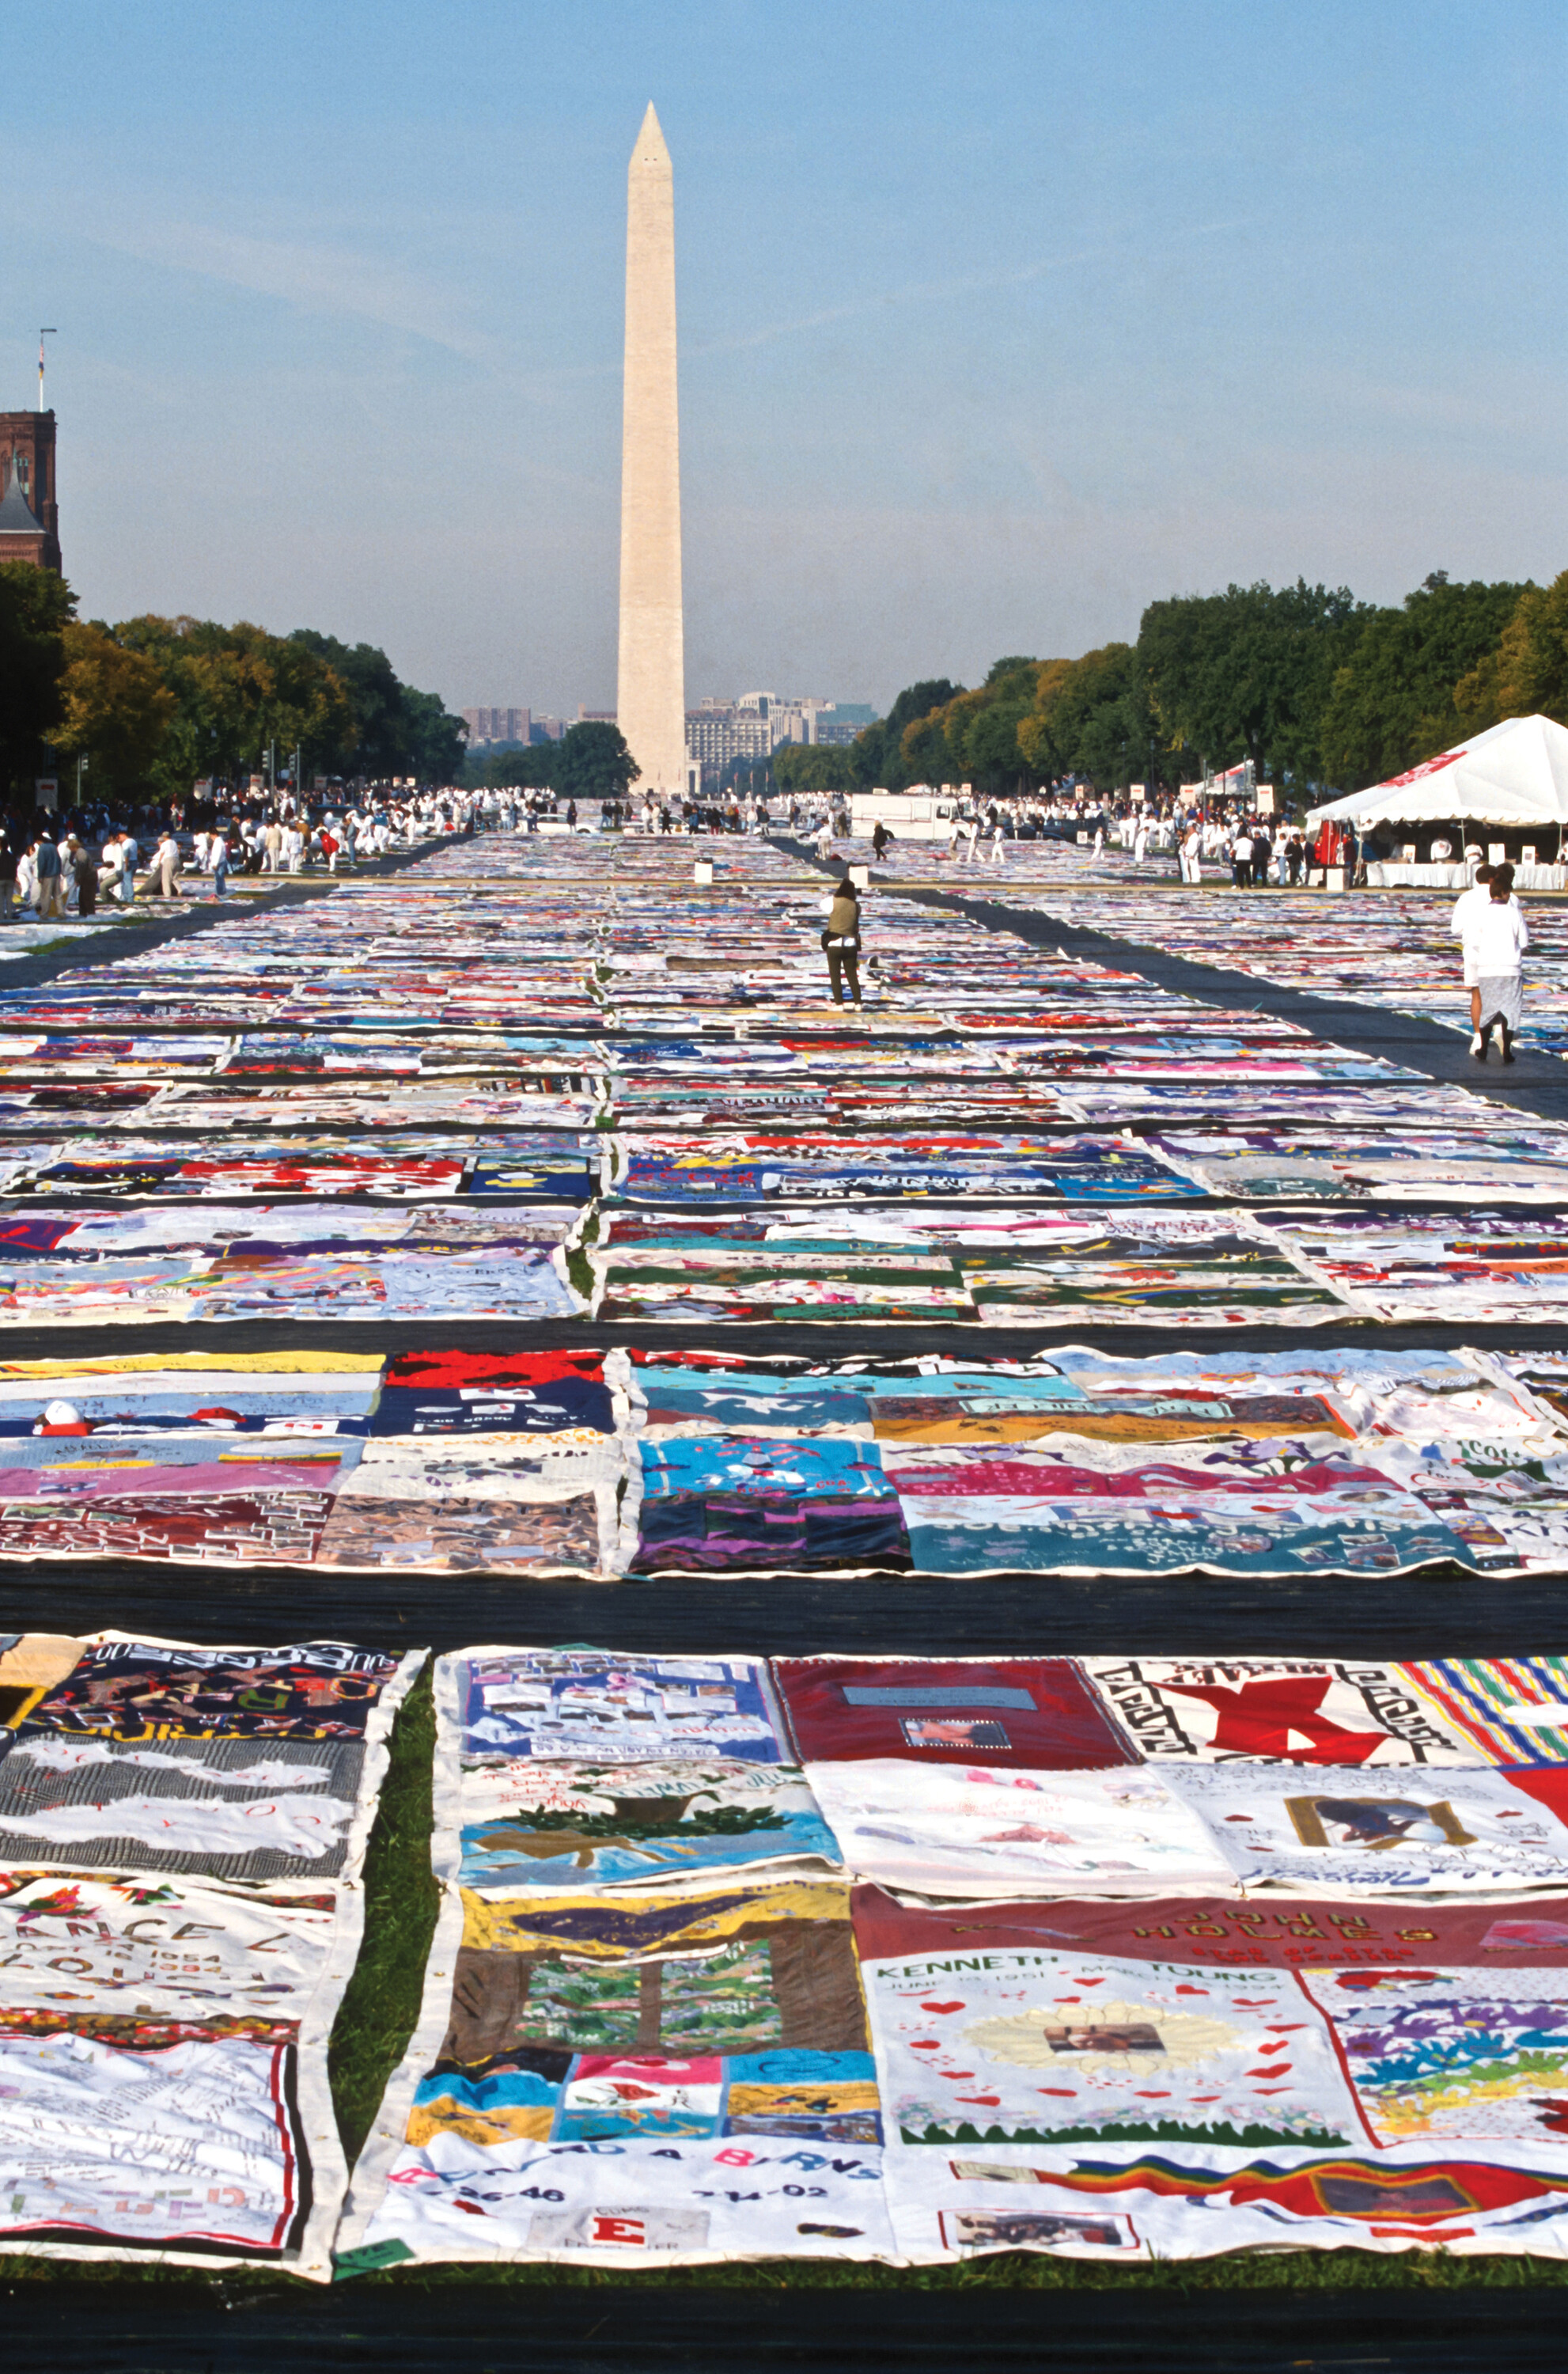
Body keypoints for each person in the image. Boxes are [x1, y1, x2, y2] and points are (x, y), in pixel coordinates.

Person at [1472, 863, 1528, 1062]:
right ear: (1505, 893)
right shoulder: (1515, 913)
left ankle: (1483, 1048)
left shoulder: (1481, 913)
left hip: (1488, 968)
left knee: (1489, 1008)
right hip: (1510, 968)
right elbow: (1524, 942)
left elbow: (1475, 942)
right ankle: (1507, 1051)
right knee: (1510, 1010)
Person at [1451, 863, 1497, 1049]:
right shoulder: (1502, 896)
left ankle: (1478, 1036)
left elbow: (1455, 928)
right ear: (1492, 879)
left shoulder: (1466, 897)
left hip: (1472, 949)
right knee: (1497, 992)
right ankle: (1500, 1031)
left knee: (1476, 994)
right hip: (1496, 949)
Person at [821, 874, 863, 1007]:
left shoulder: (832, 901)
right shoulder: (856, 906)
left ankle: (839, 1003)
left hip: (834, 944)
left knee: (835, 975)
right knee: (852, 975)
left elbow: (822, 905)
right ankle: (858, 1003)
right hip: (851, 944)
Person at [32, 832, 63, 919]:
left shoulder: (42, 849)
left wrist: (40, 876)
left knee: (46, 896)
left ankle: (44, 914)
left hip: (47, 875)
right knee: (58, 895)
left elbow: (41, 864)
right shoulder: (54, 847)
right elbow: (59, 860)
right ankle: (61, 913)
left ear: (39, 840)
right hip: (56, 874)